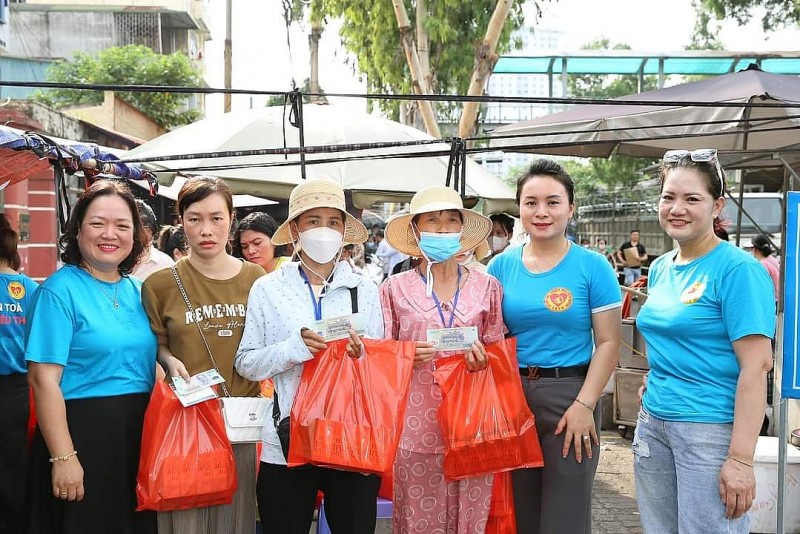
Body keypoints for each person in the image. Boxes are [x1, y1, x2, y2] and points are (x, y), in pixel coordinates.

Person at [634, 149, 775, 533]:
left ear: (717, 206)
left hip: (709, 431)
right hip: (653, 423)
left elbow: (757, 365)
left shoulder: (739, 270)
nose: (677, 208)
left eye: (692, 198)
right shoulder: (662, 266)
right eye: (669, 197)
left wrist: (741, 460)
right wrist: (659, 375)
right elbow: (667, 335)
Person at [235, 179, 384, 534]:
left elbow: (380, 364)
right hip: (285, 441)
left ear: (345, 232)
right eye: (313, 220)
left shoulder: (365, 288)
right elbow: (247, 362)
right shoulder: (268, 288)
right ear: (296, 230)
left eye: (334, 222)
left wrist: (362, 355)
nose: (324, 230)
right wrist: (293, 349)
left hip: (349, 434)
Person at [487, 159, 621, 533]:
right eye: (531, 202)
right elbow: (488, 335)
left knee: (566, 515)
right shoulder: (499, 267)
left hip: (570, 397)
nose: (541, 212)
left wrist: (585, 405)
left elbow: (610, 342)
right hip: (512, 398)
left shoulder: (592, 266)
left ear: (570, 208)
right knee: (518, 511)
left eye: (552, 202)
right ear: (519, 208)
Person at [25, 180, 156, 534]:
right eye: (97, 223)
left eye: (122, 225)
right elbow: (43, 380)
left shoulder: (139, 290)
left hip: (137, 436)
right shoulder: (58, 291)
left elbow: (155, 358)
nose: (109, 234)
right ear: (78, 229)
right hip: (81, 435)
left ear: (135, 235)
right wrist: (64, 457)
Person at [380, 185, 507, 533]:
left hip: (473, 425)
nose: (442, 228)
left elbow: (499, 351)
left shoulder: (487, 286)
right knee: (417, 520)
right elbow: (380, 358)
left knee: (470, 517)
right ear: (416, 231)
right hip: (416, 426)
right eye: (432, 221)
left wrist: (486, 360)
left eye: (451, 221)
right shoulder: (394, 288)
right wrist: (405, 355)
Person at [142, 176, 264, 534]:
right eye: (194, 218)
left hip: (241, 422)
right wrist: (165, 358)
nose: (205, 229)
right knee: (184, 522)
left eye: (216, 218)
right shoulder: (159, 284)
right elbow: (156, 343)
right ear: (181, 221)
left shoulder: (258, 279)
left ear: (232, 219)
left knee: (235, 520)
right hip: (185, 423)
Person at [0, 215, 38, 533]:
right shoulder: (29, 289)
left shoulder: (29, 288)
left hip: (16, 389)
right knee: (14, 462)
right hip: (17, 392)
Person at [132, 199, 175, 281]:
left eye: (143, 227)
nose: (135, 236)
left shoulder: (165, 264)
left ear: (152, 232)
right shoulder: (113, 262)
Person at [749, 234, 780, 305]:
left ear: (755, 249)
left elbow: (760, 287)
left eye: (751, 248)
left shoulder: (763, 265)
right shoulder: (772, 259)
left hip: (770, 301)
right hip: (777, 299)